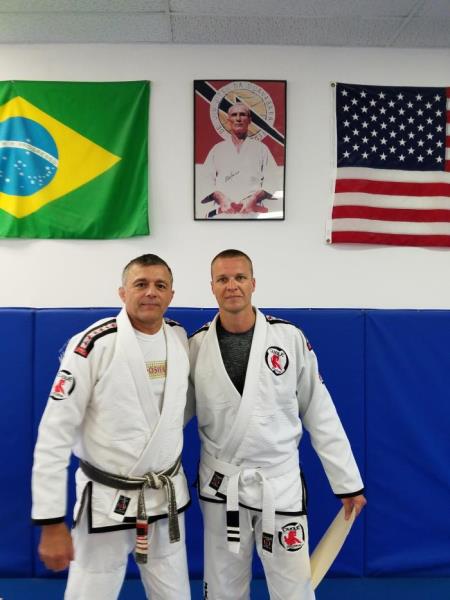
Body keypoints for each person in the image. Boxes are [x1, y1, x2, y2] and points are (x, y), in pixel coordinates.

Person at [189, 249, 366, 599]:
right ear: (212, 287)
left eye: (240, 277)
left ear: (253, 283)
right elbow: (172, 417)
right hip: (223, 486)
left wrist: (347, 482)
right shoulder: (196, 346)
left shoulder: (288, 338)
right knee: (223, 588)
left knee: (293, 588)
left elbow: (319, 410)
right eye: (223, 279)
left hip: (279, 484)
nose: (232, 286)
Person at [32, 254, 191, 600]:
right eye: (141, 284)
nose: (151, 292)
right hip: (106, 502)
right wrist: (51, 520)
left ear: (171, 294)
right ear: (122, 292)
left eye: (160, 285)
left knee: (175, 593)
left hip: (164, 498)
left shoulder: (179, 338)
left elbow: (176, 413)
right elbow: (54, 434)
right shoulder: (94, 344)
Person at [199, 103, 282, 217]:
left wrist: (255, 198)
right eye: (234, 115)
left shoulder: (261, 149)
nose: (238, 119)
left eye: (242, 114)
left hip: (252, 212)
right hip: (223, 211)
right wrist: (220, 198)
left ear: (249, 120)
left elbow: (272, 180)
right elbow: (205, 180)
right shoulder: (217, 149)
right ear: (228, 120)